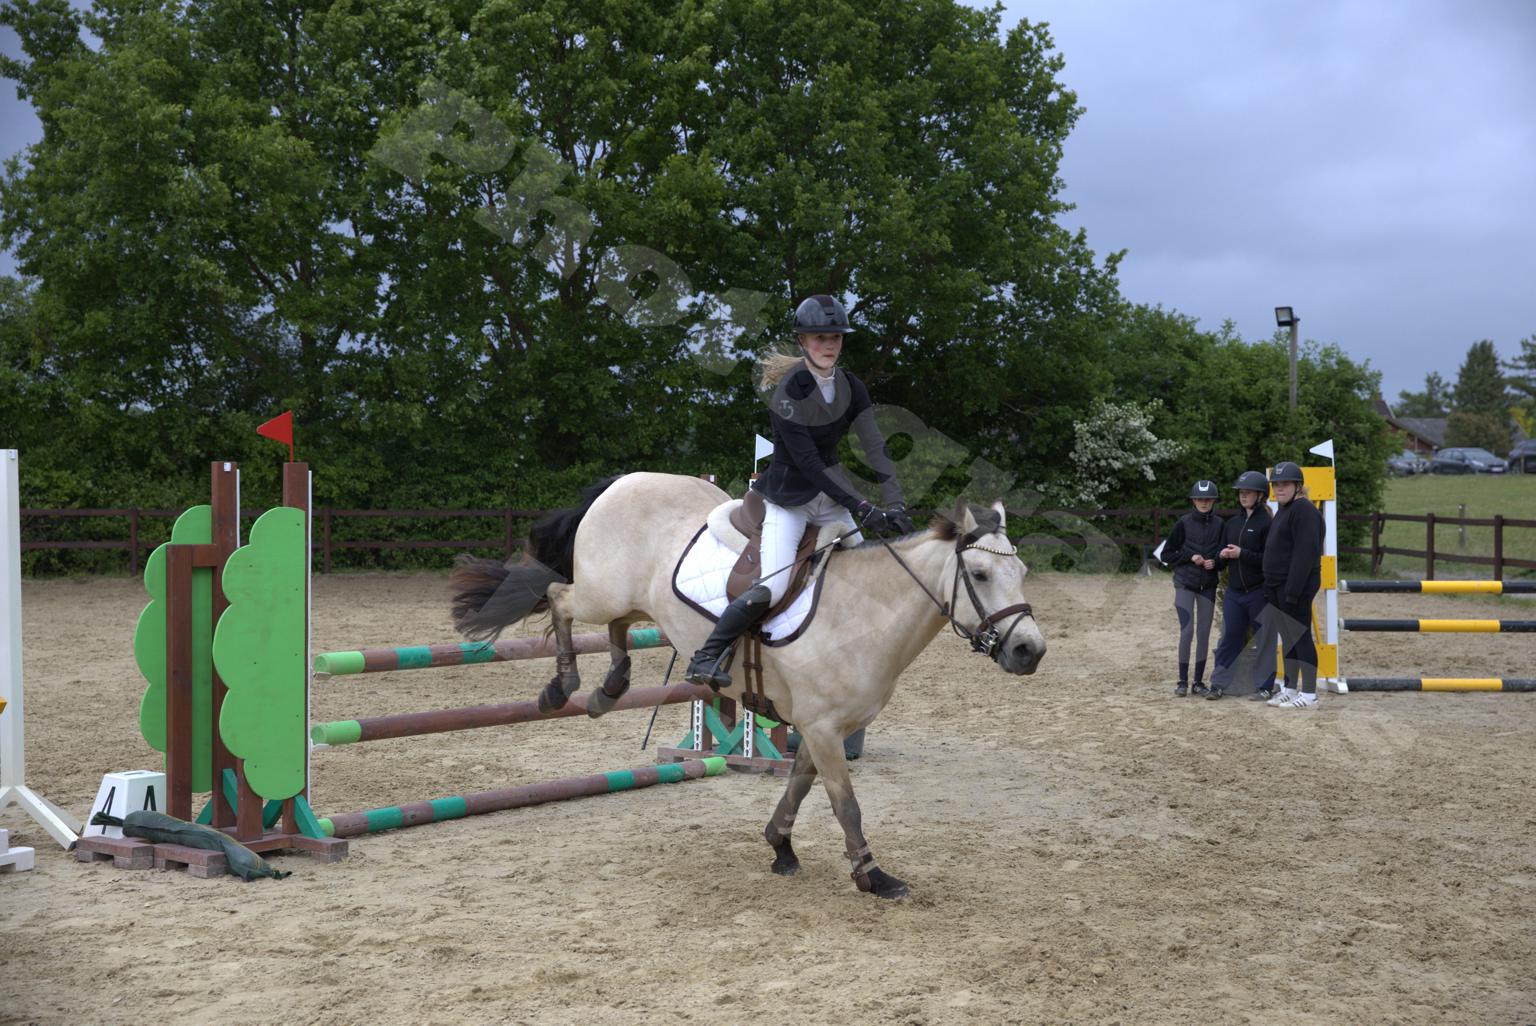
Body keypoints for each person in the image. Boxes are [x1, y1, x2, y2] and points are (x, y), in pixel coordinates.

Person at [684, 295, 914, 690]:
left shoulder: (851, 386)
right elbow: (808, 463)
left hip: (831, 499)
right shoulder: (789, 393)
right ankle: (706, 656)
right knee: (774, 586)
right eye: (820, 338)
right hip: (790, 501)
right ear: (803, 341)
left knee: (864, 577)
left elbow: (874, 444)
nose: (829, 345)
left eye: (835, 338)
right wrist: (862, 506)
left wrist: (895, 502)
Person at [1206, 471, 1276, 700]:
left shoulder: (1267, 523)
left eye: (1248, 492)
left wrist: (1241, 554)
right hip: (1235, 593)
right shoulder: (1232, 524)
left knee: (1264, 640)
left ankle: (1265, 687)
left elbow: (1269, 559)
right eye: (1241, 492)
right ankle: (1218, 684)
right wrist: (1219, 558)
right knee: (1228, 639)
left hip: (1259, 591)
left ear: (1260, 495)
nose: (1243, 496)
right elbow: (1221, 557)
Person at [1261, 461, 1326, 709]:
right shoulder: (1284, 509)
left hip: (1294, 587)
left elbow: (1304, 555)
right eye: (1276, 484)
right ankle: (1289, 688)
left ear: (1298, 486)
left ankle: (1309, 693)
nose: (1279, 488)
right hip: (1277, 585)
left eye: (1285, 484)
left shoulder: (1304, 511)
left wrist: (1292, 591)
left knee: (1301, 637)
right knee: (1288, 639)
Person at [1161, 480, 1223, 696]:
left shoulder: (1220, 525)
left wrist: (1216, 562)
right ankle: (1182, 681)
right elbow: (1167, 554)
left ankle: (1198, 682)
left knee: (1203, 633)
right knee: (1187, 631)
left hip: (1208, 585)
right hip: (1185, 584)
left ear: (1213, 501)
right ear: (1194, 501)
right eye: (1199, 499)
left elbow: (1222, 555)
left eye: (1208, 499)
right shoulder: (1183, 523)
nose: (1204, 503)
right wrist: (1190, 557)